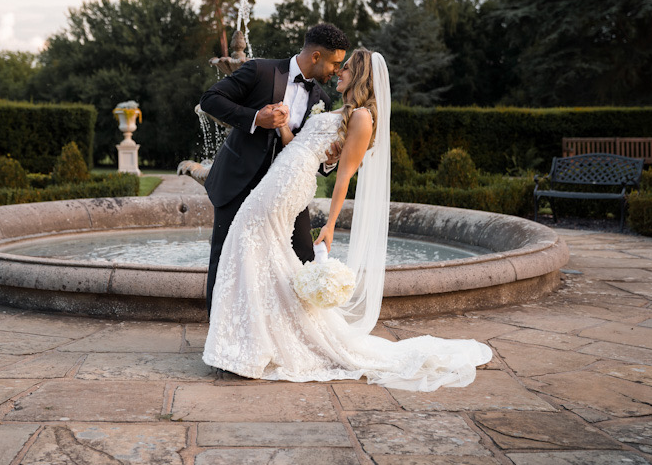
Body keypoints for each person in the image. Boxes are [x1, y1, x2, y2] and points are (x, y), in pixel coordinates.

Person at [202, 48, 492, 391]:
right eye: (338, 66)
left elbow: (343, 176)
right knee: (258, 249)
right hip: (283, 174)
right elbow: (301, 147)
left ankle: (253, 342)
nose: (339, 72)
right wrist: (280, 126)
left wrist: (330, 224)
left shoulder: (363, 118)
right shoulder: (338, 108)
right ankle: (253, 338)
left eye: (346, 68)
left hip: (289, 184)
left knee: (248, 237)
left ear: (361, 75)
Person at [201, 24, 350, 315]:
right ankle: (219, 335)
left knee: (304, 254)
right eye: (334, 63)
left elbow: (314, 156)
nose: (337, 70)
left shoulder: (322, 99)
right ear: (317, 56)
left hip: (287, 190)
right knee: (226, 256)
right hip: (238, 182)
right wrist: (257, 117)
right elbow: (210, 99)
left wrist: (330, 161)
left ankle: (302, 334)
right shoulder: (260, 71)